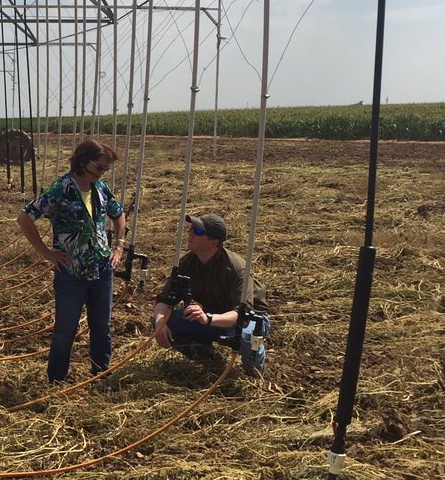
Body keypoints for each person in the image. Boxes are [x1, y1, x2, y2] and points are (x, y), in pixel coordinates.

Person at [16, 139, 126, 383]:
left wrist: (118, 246)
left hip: (101, 268)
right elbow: (25, 217)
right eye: (99, 167)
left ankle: (101, 374)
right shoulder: (62, 188)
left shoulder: (100, 188)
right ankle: (56, 380)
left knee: (102, 327)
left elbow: (118, 214)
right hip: (71, 272)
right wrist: (47, 253)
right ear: (83, 161)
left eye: (105, 169)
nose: (102, 172)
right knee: (65, 330)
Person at [152, 213, 270, 376]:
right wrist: (159, 324)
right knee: (168, 321)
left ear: (213, 242)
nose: (190, 233)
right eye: (191, 229)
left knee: (246, 337)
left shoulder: (236, 268)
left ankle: (255, 371)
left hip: (248, 319)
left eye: (198, 232)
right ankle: (210, 360)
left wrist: (208, 319)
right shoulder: (187, 263)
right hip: (213, 316)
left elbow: (240, 314)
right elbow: (164, 300)